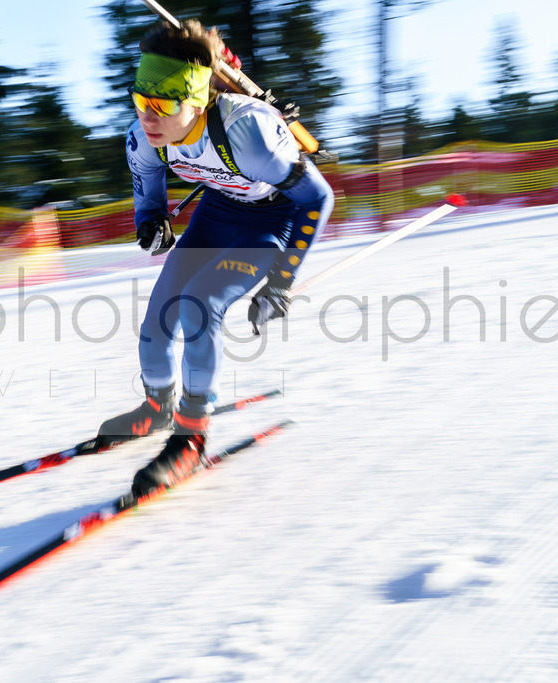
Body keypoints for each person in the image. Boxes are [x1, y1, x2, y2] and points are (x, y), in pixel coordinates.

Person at [98, 19, 334, 496]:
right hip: (217, 215)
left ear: (197, 100)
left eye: (162, 105)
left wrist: (281, 282)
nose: (148, 117)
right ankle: (158, 407)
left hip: (270, 222)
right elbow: (148, 186)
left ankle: (191, 439)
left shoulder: (249, 132)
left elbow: (317, 198)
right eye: (140, 101)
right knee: (160, 317)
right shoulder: (144, 136)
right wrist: (151, 219)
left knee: (198, 306)